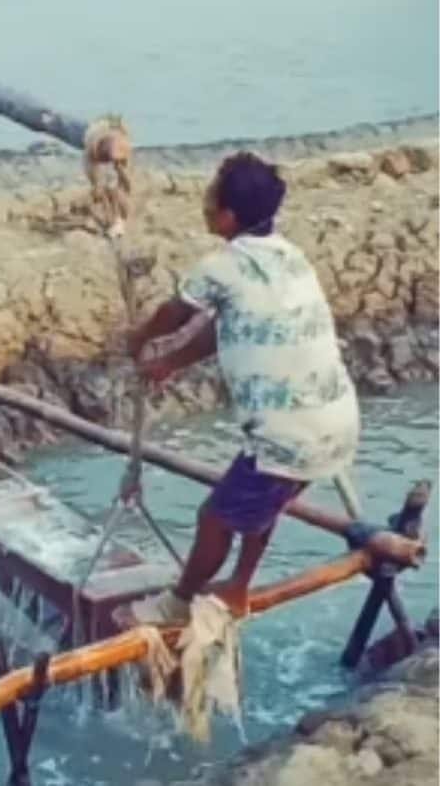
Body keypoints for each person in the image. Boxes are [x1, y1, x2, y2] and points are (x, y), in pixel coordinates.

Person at [116, 152, 359, 627]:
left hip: (287, 432)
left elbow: (178, 313)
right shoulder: (289, 256)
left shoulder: (221, 266)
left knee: (215, 517)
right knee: (265, 500)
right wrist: (169, 362)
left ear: (227, 216)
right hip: (334, 423)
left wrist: (141, 338)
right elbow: (232, 327)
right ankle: (237, 587)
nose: (204, 204)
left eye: (210, 197)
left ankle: (178, 602)